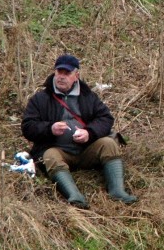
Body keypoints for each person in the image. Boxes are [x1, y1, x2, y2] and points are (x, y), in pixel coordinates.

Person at [21, 54, 137, 208]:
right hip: (58, 151)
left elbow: (106, 118)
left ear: (76, 76)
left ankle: (117, 191)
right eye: (58, 72)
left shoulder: (88, 96)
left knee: (109, 144)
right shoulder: (40, 99)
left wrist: (89, 133)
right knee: (50, 156)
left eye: (66, 73)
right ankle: (74, 195)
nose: (61, 77)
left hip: (86, 149)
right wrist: (50, 129)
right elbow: (28, 127)